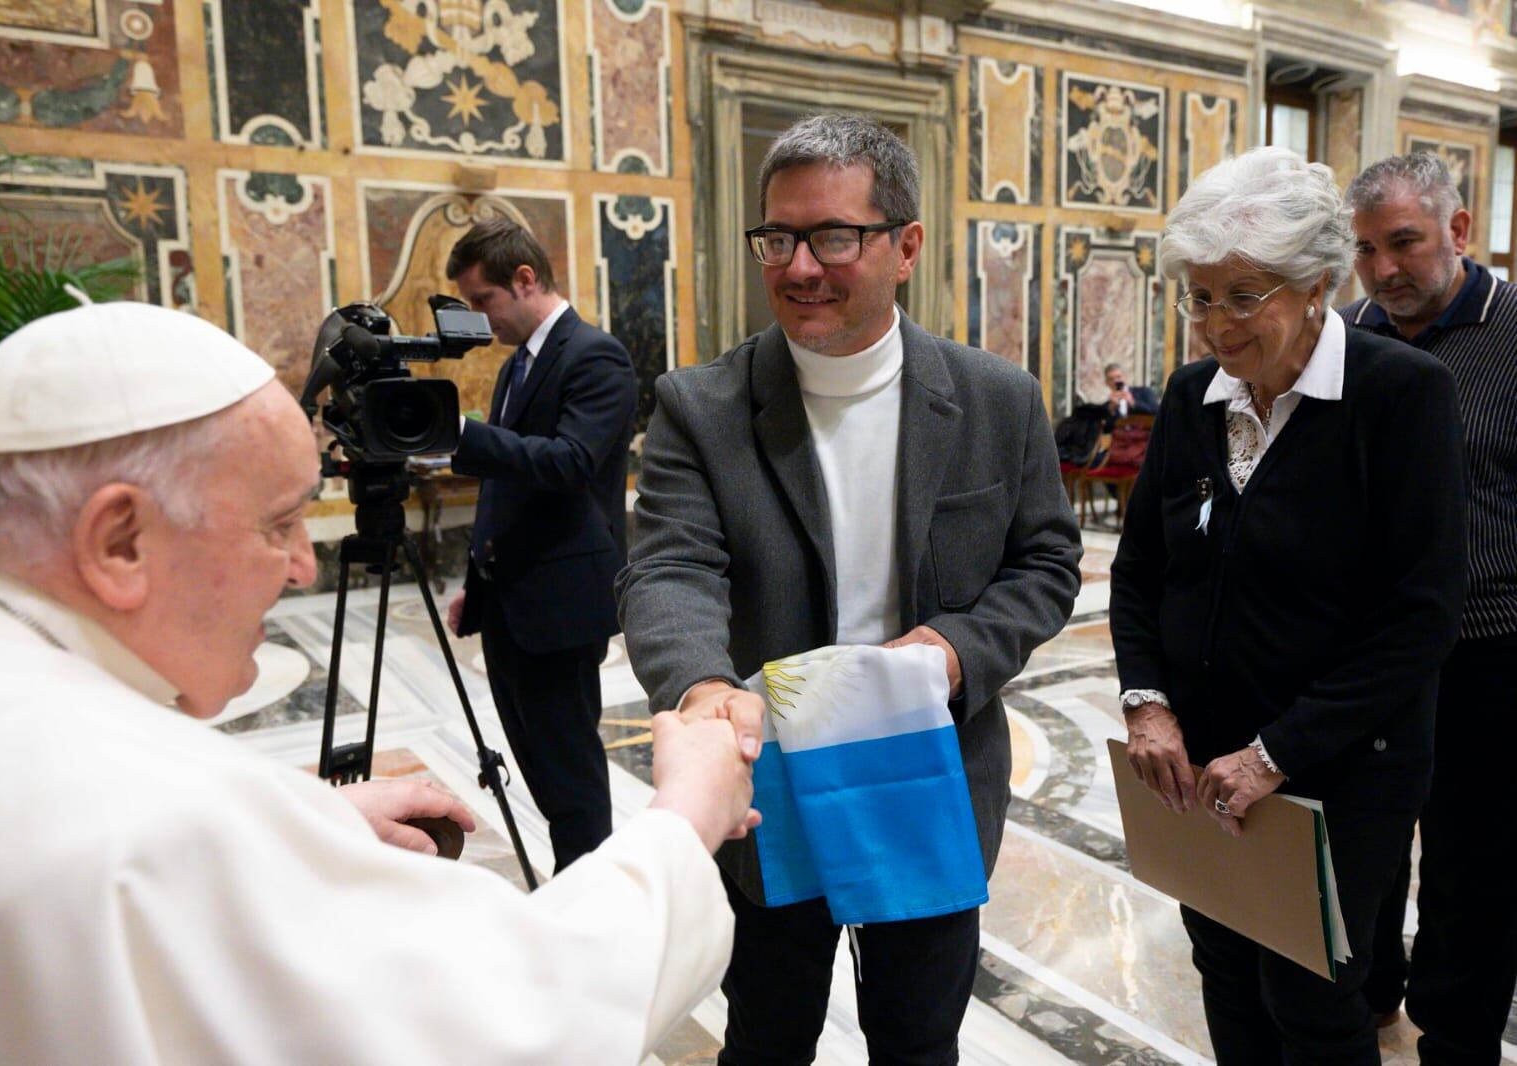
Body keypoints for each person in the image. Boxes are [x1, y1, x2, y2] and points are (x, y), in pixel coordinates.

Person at [0, 301, 757, 1064]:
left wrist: (304, 815)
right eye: (278, 524)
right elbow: (517, 1020)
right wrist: (684, 819)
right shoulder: (159, 823)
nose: (300, 566)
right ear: (121, 540)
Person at [617, 112, 1082, 1065]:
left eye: (834, 236)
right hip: (767, 779)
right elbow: (670, 566)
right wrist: (702, 686)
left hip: (927, 768)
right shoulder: (700, 407)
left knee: (917, 1039)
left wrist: (958, 648)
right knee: (769, 1033)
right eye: (777, 238)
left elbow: (1043, 563)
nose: (797, 267)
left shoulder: (995, 398)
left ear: (905, 245)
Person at [1110, 147, 1468, 1064]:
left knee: (1309, 999)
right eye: (1197, 297)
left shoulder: (1401, 395)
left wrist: (1276, 754)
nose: (1214, 327)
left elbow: (1419, 617)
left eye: (1242, 297)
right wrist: (1147, 703)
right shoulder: (1195, 396)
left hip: (1340, 765)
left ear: (1316, 285)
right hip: (1201, 762)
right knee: (1223, 970)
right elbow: (1142, 565)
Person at [1342, 152, 1517, 1061]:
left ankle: (1455, 1040)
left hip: (1485, 650)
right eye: (1363, 249)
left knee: (1470, 867)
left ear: (1457, 230)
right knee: (1358, 847)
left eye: (1402, 243)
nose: (1381, 271)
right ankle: (1369, 996)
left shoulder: (1514, 335)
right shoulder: (1342, 338)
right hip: (1364, 654)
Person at [442, 216, 637, 872]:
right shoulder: (515, 367)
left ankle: (594, 892)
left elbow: (570, 462)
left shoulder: (594, 354)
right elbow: (509, 483)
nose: (480, 318)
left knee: (570, 770)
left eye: (483, 301)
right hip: (511, 596)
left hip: (559, 603)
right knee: (540, 766)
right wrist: (479, 577)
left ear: (524, 279)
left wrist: (460, 435)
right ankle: (573, 878)